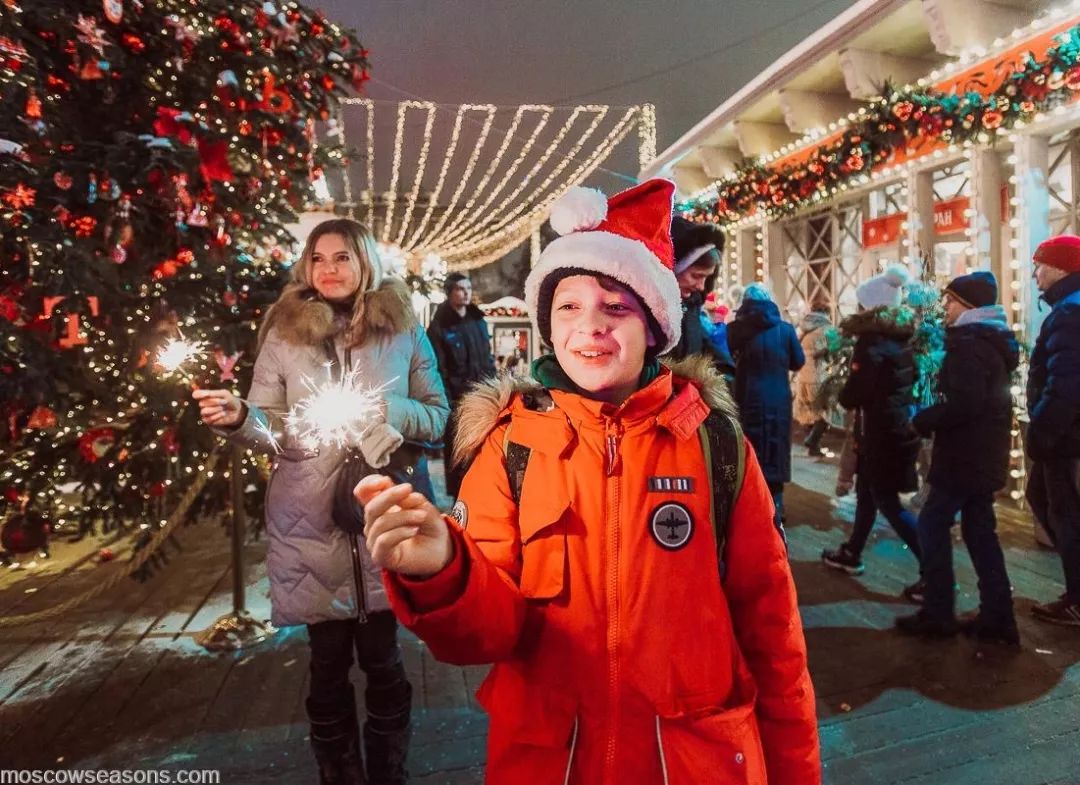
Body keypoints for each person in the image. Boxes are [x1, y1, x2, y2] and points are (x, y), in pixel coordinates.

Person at [358, 181, 821, 785]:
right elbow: (490, 632)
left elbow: (774, 636)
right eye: (568, 306)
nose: (590, 326)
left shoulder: (716, 445)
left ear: (654, 325)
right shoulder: (510, 444)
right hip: (554, 763)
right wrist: (443, 567)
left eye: (616, 306)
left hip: (693, 763)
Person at [193, 218, 449, 785]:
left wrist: (394, 416)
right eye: (319, 258)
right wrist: (240, 419)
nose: (329, 269)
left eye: (343, 257)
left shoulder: (402, 329)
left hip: (384, 519)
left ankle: (389, 773)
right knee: (327, 666)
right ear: (306, 267)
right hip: (309, 526)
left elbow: (438, 416)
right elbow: (271, 426)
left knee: (385, 662)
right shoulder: (284, 332)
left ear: (366, 264)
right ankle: (339, 775)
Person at [895, 272, 1019, 643]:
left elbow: (966, 404)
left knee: (933, 525)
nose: (945, 308)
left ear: (967, 306)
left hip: (965, 455)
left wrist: (924, 420)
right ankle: (998, 618)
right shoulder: (989, 341)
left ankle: (938, 612)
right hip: (982, 454)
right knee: (980, 531)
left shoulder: (969, 344)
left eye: (950, 301)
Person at [821, 266, 924, 601]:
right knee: (868, 494)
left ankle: (934, 569)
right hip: (887, 430)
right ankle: (852, 551)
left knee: (888, 502)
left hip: (881, 432)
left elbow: (858, 391)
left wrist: (845, 396)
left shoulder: (872, 343)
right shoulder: (900, 340)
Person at [1025, 235, 1080, 627]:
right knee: (1049, 503)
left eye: (1040, 265)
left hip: (1063, 436)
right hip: (1065, 433)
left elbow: (1064, 385)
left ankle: (1077, 597)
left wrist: (1041, 433)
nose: (1034, 274)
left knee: (1063, 512)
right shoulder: (1067, 309)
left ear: (1061, 268)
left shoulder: (1068, 315)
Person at [727, 283, 805, 532]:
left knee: (749, 447)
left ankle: (750, 503)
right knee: (776, 445)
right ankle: (776, 503)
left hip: (746, 395)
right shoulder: (784, 330)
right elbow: (798, 361)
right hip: (777, 397)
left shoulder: (734, 331)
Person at [426, 272, 497, 500]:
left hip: (484, 397)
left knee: (484, 451)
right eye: (460, 288)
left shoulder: (478, 320)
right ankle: (459, 499)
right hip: (457, 398)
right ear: (449, 293)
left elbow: (487, 358)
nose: (466, 292)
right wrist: (447, 399)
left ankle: (484, 496)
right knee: (459, 454)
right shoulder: (440, 326)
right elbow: (438, 367)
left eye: (468, 287)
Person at [667, 216, 735, 374]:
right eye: (696, 276)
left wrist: (729, 375)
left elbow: (700, 347)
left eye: (706, 277)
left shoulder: (691, 305)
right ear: (673, 269)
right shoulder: (649, 312)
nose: (701, 286)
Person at [795, 300, 833, 457]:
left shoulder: (802, 327)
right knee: (824, 411)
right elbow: (832, 351)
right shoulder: (827, 329)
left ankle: (813, 445)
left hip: (802, 375)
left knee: (808, 411)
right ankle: (813, 441)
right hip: (818, 375)